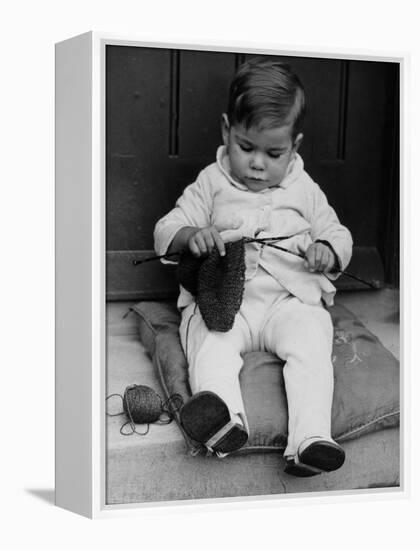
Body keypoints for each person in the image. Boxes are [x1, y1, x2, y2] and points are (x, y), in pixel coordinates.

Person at [154, 57, 353, 477]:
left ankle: (311, 438)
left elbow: (339, 234)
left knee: (313, 341)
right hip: (227, 303)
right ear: (227, 130)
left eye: (274, 152)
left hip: (288, 300)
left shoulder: (304, 187)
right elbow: (165, 230)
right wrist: (191, 235)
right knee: (209, 342)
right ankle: (222, 420)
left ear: (295, 146)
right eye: (247, 148)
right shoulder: (211, 181)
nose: (258, 163)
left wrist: (327, 250)